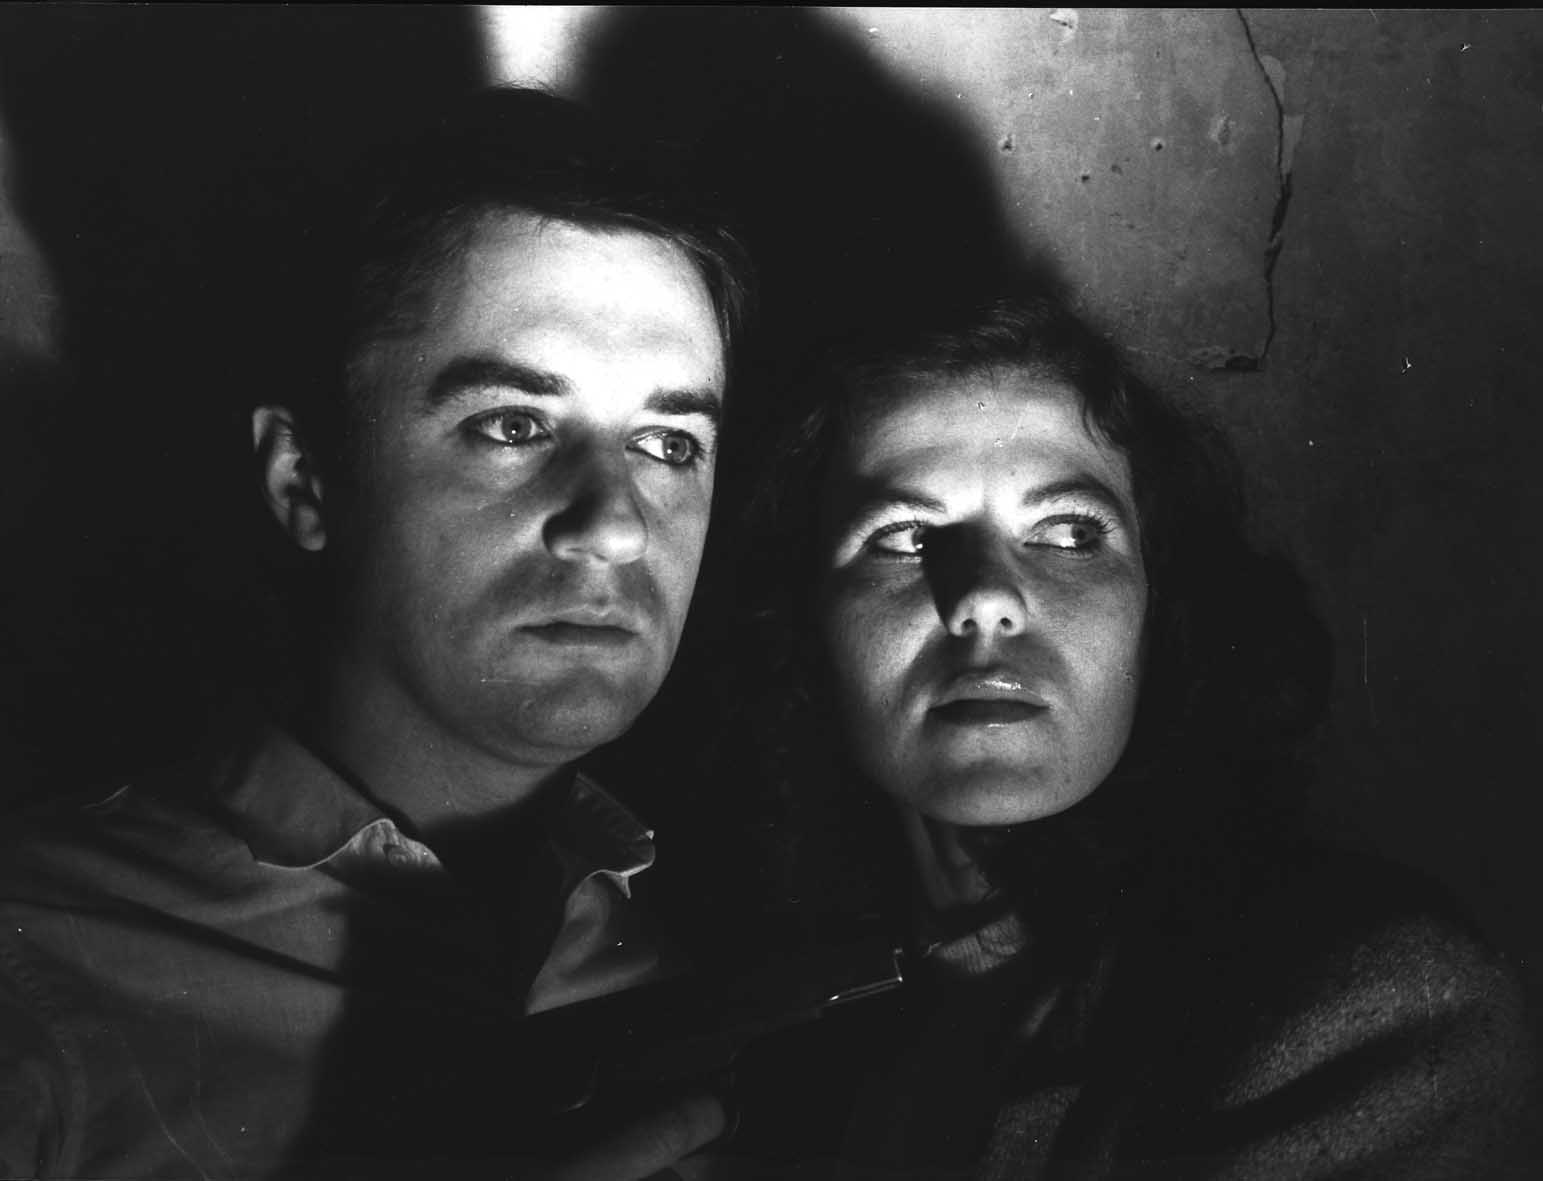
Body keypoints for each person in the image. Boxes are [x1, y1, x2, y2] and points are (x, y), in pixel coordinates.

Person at [0, 87, 752, 1179]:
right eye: (514, 424)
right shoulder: (37, 969)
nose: (616, 524)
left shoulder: (738, 956)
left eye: (669, 443)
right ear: (306, 481)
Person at [736, 292, 1535, 1177]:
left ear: (1159, 612)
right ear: (805, 619)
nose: (986, 597)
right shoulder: (765, 1040)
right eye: (902, 534)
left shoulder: (1371, 1007)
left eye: (1069, 532)